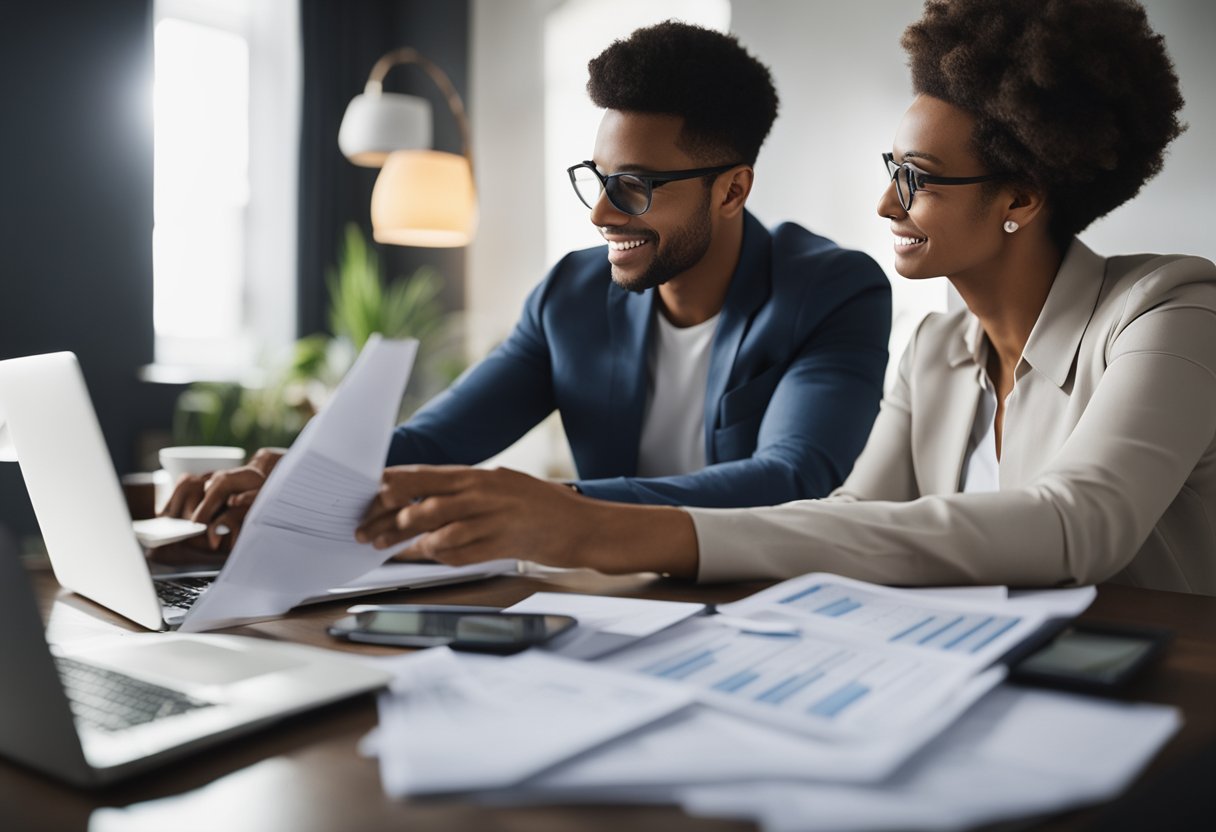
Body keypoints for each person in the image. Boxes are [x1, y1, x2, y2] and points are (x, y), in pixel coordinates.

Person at [355, 0, 1216, 597]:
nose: (886, 204)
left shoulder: (1171, 312)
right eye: (891, 171)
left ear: (1021, 198)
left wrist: (593, 525)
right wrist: (320, 480)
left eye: (915, 180)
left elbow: (1076, 526)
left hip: (1162, 696)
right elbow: (844, 518)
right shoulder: (937, 350)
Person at [167, 21, 892, 551]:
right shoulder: (569, 297)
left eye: (634, 186)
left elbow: (788, 477)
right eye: (600, 180)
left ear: (732, 190)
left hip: (757, 608)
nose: (603, 212)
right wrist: (308, 474)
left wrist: (559, 507)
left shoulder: (830, 291)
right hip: (602, 603)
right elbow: (436, 439)